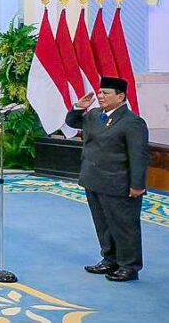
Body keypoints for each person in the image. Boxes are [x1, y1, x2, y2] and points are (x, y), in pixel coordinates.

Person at [66, 76, 150, 283]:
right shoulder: (94, 115)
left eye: (106, 93)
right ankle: (109, 259)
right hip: (93, 179)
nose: (101, 96)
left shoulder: (132, 122)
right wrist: (78, 107)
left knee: (124, 226)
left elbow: (138, 156)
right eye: (100, 92)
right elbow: (72, 122)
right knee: (103, 223)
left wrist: (138, 185)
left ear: (120, 97)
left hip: (118, 183)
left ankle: (129, 266)